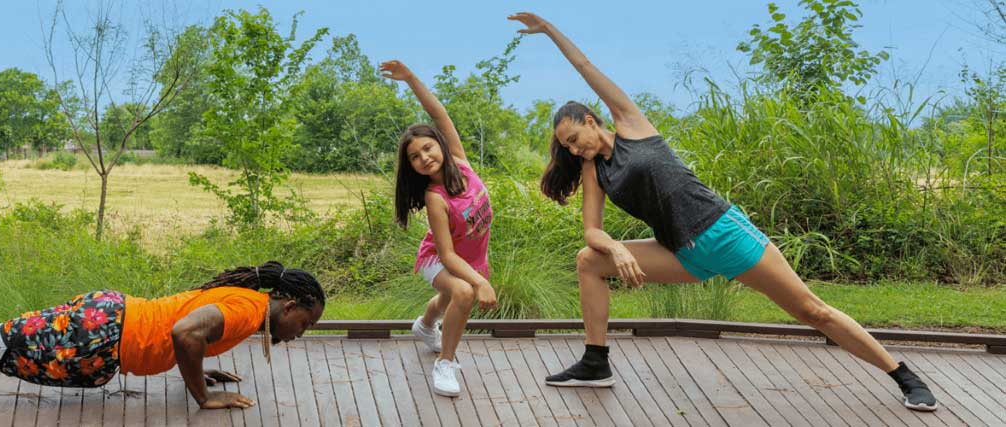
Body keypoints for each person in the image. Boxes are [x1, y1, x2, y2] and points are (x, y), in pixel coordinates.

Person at [507, 11, 938, 411]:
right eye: (564, 145)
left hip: (724, 233)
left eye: (573, 135)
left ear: (590, 118)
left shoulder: (632, 126)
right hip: (682, 252)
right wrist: (616, 250)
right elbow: (592, 232)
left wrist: (550, 31)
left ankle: (903, 376)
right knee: (589, 261)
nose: (572, 146)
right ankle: (595, 362)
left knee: (811, 310)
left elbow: (586, 67)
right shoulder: (593, 173)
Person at [0, 261, 324, 411]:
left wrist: (200, 361)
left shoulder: (249, 309)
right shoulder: (246, 311)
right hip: (100, 336)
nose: (303, 334)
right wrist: (201, 394)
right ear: (293, 305)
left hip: (105, 330)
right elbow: (187, 331)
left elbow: (188, 331)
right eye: (309, 323)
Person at [381, 59, 498, 398]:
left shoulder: (461, 163)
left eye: (428, 148)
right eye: (415, 157)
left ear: (441, 145)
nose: (424, 158)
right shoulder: (435, 197)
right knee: (461, 292)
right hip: (440, 258)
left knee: (446, 299)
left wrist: (411, 79)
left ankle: (424, 325)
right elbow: (446, 253)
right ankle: (445, 363)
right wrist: (479, 282)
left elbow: (439, 116)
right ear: (413, 167)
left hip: (469, 257)